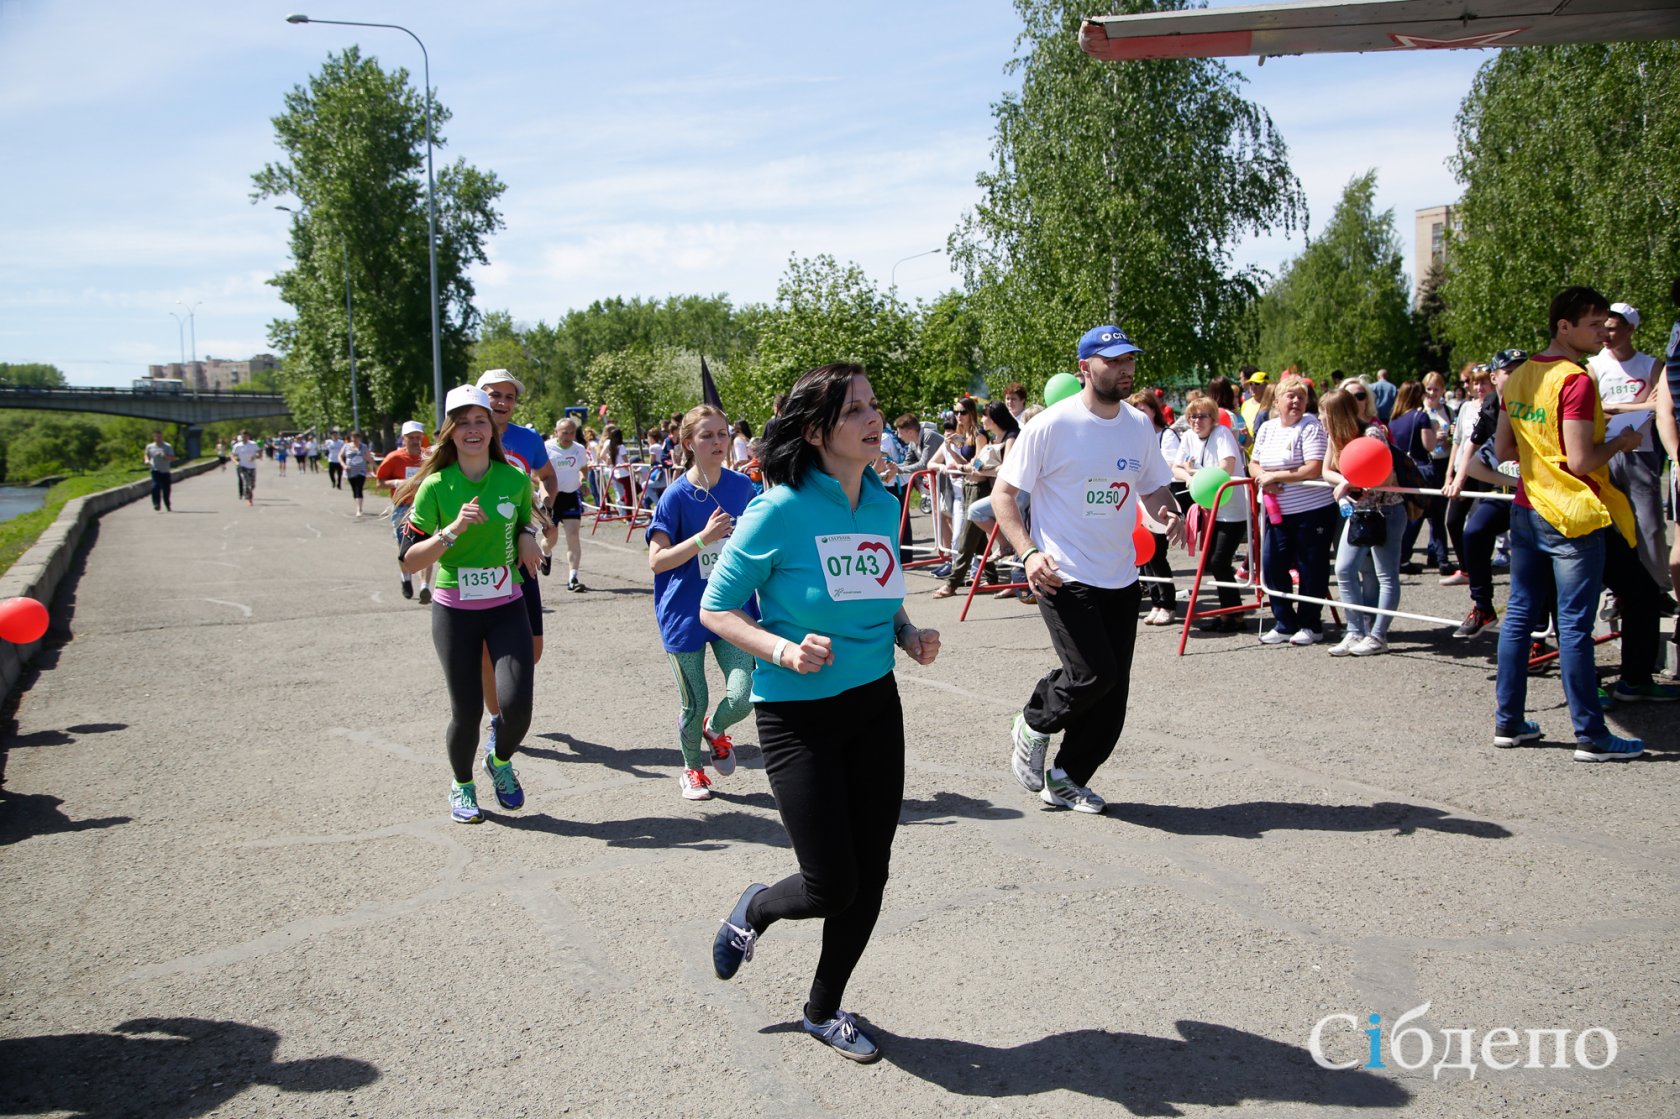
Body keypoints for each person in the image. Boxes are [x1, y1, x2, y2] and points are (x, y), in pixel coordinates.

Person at [699, 363, 940, 1064]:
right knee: (831, 880)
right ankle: (756, 908)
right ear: (815, 431)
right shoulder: (779, 508)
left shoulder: (882, 501)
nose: (874, 418)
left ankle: (823, 1008)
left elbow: (879, 583)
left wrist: (907, 631)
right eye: (854, 409)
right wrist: (779, 647)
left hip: (874, 703)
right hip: (797, 714)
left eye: (874, 404)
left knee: (873, 869)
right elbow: (717, 606)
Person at [994, 324, 1180, 814]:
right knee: (1091, 675)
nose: (1126, 369)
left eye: (1129, 359)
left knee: (1113, 692)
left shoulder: (1139, 426)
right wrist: (1029, 553)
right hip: (1063, 573)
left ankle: (1068, 778)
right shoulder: (1051, 426)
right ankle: (1033, 721)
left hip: (1121, 575)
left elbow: (1153, 487)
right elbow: (1003, 496)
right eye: (1114, 361)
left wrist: (1168, 512)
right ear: (1085, 368)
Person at [1492, 286, 1672, 765]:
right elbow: (1581, 458)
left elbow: (1505, 449)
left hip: (1528, 509)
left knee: (1520, 618)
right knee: (1573, 626)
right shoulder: (1576, 379)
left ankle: (1509, 721)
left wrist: (1541, 453)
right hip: (1571, 514)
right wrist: (1624, 440)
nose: (1603, 333)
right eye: (1594, 325)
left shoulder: (1520, 376)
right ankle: (1591, 735)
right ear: (1563, 326)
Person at [397, 385, 540, 822]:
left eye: (480, 420)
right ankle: (461, 785)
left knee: (517, 708)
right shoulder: (436, 487)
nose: (473, 429)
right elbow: (408, 561)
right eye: (463, 422)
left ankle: (497, 762)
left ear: (490, 429)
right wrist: (452, 530)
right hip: (454, 610)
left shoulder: (514, 478)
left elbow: (522, 520)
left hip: (505, 603)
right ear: (450, 432)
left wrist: (527, 535)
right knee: (467, 711)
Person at [647, 405, 758, 800]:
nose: (717, 442)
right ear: (689, 443)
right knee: (695, 701)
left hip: (732, 607)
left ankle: (716, 729)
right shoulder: (676, 496)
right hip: (684, 612)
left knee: (743, 694)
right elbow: (657, 561)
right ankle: (692, 770)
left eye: (722, 434)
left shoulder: (743, 487)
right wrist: (702, 539)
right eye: (707, 435)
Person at [474, 369, 561, 757]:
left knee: (533, 649)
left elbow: (547, 478)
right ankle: (497, 719)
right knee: (487, 651)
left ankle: (507, 702)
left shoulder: (527, 440)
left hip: (522, 549)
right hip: (479, 554)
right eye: (494, 395)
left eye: (508, 396)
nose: (502, 402)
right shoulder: (469, 435)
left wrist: (542, 511)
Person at [1590, 301, 1673, 599]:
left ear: (1630, 329)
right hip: (1605, 452)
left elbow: (1659, 407)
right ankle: (1616, 591)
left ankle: (1658, 588)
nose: (1606, 335)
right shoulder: (1594, 366)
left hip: (1641, 452)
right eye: (1603, 329)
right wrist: (1637, 406)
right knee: (1612, 524)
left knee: (1648, 524)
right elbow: (1592, 410)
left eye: (1612, 329)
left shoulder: (1650, 365)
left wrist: (1614, 406)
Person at [1250, 373, 1337, 645]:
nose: (1297, 401)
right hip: (1276, 510)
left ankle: (1311, 624)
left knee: (1311, 567)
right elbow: (1253, 463)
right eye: (1291, 396)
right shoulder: (1267, 428)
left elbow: (1313, 467)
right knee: (1273, 565)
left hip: (1312, 509)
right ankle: (1284, 621)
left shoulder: (1311, 426)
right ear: (1277, 401)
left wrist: (1277, 477)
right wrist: (1263, 476)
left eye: (1301, 397)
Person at [1320, 388, 1406, 656]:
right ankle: (1355, 630)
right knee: (1344, 570)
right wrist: (1345, 482)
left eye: (1323, 413)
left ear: (1335, 414)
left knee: (1386, 574)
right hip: (1358, 513)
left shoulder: (1372, 434)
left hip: (1386, 512)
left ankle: (1379, 635)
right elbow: (1326, 471)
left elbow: (1385, 477)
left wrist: (1350, 482)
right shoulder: (1335, 438)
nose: (1320, 419)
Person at [1443, 353, 1523, 638]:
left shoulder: (1535, 399)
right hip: (1504, 488)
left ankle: (1540, 633)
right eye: (1509, 372)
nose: (1516, 376)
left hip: (1540, 492)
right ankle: (1482, 606)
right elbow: (1471, 445)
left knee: (1533, 559)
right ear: (1495, 377)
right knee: (1473, 531)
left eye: (1521, 370)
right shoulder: (1490, 404)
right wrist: (1456, 479)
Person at [1173, 398, 1246, 631]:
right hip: (1209, 508)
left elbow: (1227, 466)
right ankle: (1229, 613)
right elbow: (1175, 467)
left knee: (1219, 561)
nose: (1197, 421)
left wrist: (1195, 471)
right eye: (1193, 416)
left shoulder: (1222, 433)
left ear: (1212, 418)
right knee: (1213, 562)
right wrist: (1190, 477)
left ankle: (1234, 613)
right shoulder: (1187, 437)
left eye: (1202, 416)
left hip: (1232, 509)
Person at [1387, 381, 1447, 575]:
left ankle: (1405, 557)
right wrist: (1438, 435)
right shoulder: (1420, 417)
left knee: (1411, 516)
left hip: (1402, 473)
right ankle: (1441, 558)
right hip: (1421, 471)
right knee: (1433, 515)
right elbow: (1429, 445)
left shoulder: (1393, 420)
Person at [376, 420, 434, 603]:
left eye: (418, 437)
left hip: (425, 506)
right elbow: (380, 482)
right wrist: (395, 483)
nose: (416, 441)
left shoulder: (428, 457)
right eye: (411, 438)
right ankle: (406, 577)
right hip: (402, 507)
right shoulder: (395, 458)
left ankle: (425, 586)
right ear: (403, 438)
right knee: (405, 548)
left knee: (428, 545)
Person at [545, 417, 590, 591]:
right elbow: (536, 473)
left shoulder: (578, 449)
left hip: (571, 496)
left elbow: (583, 469)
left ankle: (573, 577)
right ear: (556, 432)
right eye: (565, 433)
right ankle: (546, 553)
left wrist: (584, 482)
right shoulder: (547, 447)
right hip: (552, 497)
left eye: (572, 433)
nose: (568, 436)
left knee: (573, 536)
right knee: (550, 538)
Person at [338, 431, 371, 517]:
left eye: (356, 437)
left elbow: (369, 457)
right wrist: (343, 465)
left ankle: (359, 509)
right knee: (354, 489)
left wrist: (374, 466)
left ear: (359, 438)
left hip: (361, 471)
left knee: (359, 488)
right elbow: (340, 456)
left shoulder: (363, 447)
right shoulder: (346, 446)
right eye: (353, 437)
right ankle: (358, 504)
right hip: (350, 471)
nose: (355, 439)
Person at [143, 430, 176, 512]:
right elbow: (146, 454)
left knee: (166, 489)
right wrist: (147, 460)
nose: (158, 438)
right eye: (156, 436)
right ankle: (156, 504)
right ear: (153, 437)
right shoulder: (150, 446)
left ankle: (167, 504)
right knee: (155, 487)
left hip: (165, 470)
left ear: (162, 437)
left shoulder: (167, 446)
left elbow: (172, 458)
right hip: (155, 469)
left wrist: (164, 456)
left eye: (159, 436)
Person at [231, 430, 261, 505]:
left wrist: (255, 456)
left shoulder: (253, 444)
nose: (244, 438)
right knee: (247, 483)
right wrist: (235, 462)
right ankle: (249, 499)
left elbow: (259, 453)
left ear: (248, 436)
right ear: (241, 437)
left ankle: (248, 493)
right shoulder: (237, 446)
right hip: (242, 466)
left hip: (252, 467)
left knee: (253, 484)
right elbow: (232, 455)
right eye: (243, 436)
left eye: (245, 436)